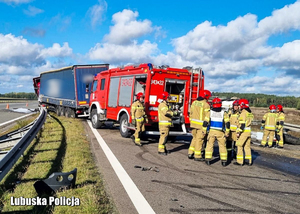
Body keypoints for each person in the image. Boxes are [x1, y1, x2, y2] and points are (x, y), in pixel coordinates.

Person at [205, 97, 230, 166]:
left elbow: (205, 122)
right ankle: (224, 161)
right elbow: (227, 124)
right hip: (220, 132)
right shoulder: (224, 113)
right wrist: (227, 132)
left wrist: (204, 131)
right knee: (222, 146)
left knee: (209, 145)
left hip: (212, 132)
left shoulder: (210, 112)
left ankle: (208, 160)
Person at [188, 89, 211, 161]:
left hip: (193, 124)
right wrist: (205, 126)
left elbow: (190, 112)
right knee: (199, 140)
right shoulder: (206, 105)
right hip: (201, 126)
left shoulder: (194, 102)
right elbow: (207, 117)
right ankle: (197, 156)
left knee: (194, 139)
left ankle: (190, 153)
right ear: (206, 96)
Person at [234, 99, 254, 166]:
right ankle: (248, 161)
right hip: (248, 132)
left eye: (239, 105)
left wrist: (238, 132)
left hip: (243, 132)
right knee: (247, 147)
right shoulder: (250, 113)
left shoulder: (243, 113)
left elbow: (242, 125)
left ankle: (240, 161)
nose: (238, 106)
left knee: (239, 145)